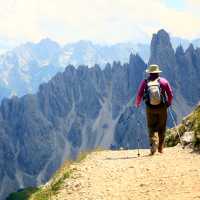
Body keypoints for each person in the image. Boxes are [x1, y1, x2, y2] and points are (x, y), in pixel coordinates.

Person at [134, 64, 173, 155]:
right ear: (158, 72)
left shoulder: (145, 82)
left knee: (151, 126)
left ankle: (153, 144)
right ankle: (160, 148)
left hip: (150, 108)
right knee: (162, 127)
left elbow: (139, 94)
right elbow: (170, 94)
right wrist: (168, 103)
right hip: (162, 107)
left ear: (150, 73)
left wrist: (137, 104)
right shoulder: (164, 81)